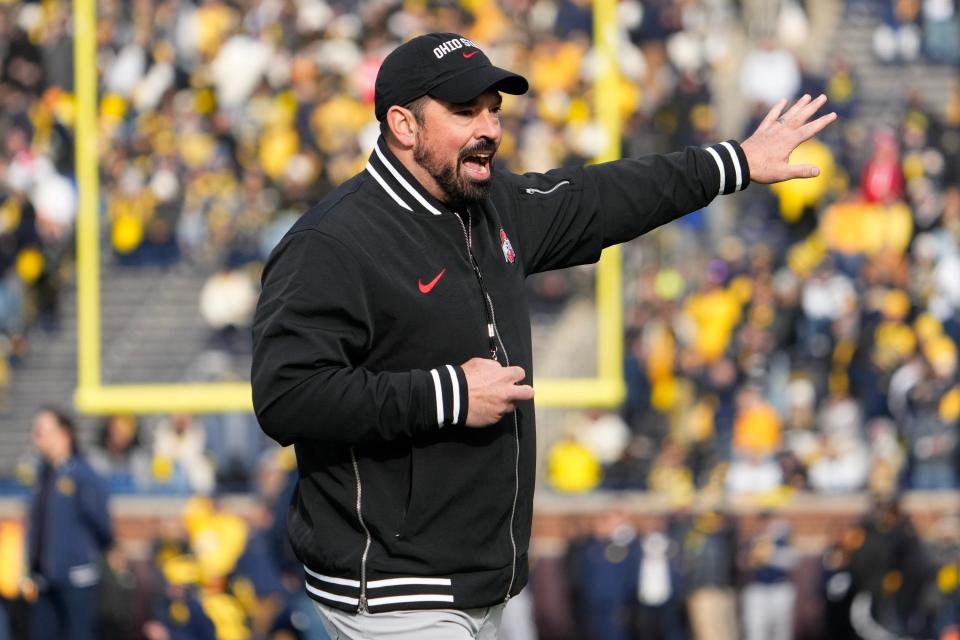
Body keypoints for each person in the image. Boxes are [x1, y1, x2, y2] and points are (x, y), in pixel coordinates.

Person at [251, 31, 837, 640]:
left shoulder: (487, 204)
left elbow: (603, 196)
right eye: (464, 111)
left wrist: (733, 163)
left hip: (477, 582)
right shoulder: (332, 243)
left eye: (494, 109)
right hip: (396, 590)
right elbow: (286, 396)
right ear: (403, 124)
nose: (490, 128)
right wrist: (447, 394)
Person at [23, 407, 113, 640]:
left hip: (76, 581)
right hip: (45, 579)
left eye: (41, 432)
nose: (36, 438)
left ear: (63, 434)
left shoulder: (82, 474)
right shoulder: (43, 475)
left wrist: (81, 555)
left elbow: (102, 525)